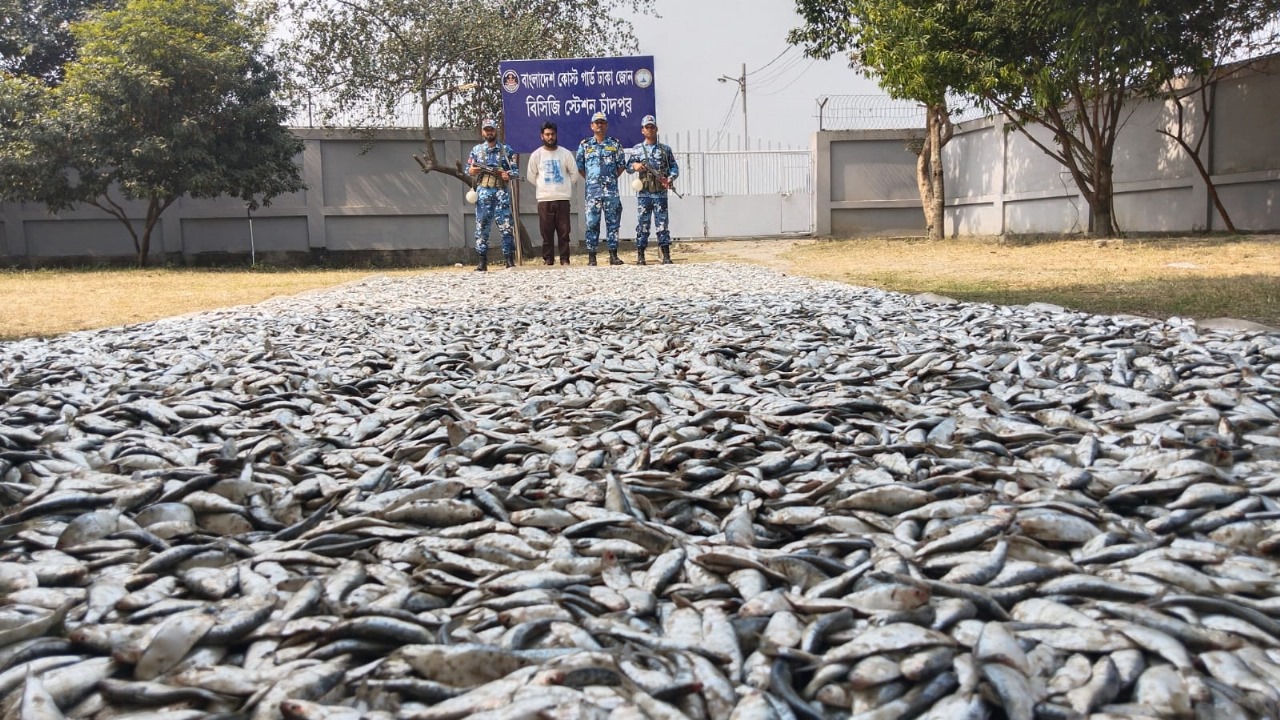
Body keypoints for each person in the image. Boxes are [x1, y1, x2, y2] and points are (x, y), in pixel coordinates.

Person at [575, 111, 627, 266]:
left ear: (606, 125)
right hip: (593, 192)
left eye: (602, 122)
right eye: (596, 122)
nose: (599, 125)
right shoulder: (585, 145)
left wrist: (609, 179)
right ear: (592, 126)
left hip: (611, 191)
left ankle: (613, 255)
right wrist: (593, 180)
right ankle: (592, 256)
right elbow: (580, 167)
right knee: (592, 223)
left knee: (613, 223)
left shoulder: (614, 144)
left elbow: (621, 166)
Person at [467, 118, 519, 272]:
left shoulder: (506, 150)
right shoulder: (476, 151)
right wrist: (472, 171)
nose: (489, 132)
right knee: (481, 228)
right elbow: (467, 169)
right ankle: (482, 262)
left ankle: (509, 260)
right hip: (483, 193)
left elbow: (515, 171)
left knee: (506, 228)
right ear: (483, 132)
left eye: (491, 129)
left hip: (501, 193)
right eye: (486, 130)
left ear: (496, 130)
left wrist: (507, 174)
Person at [627, 115, 680, 265]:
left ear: (656, 129)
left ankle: (666, 255)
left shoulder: (665, 150)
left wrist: (670, 178)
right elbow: (628, 167)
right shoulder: (637, 149)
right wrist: (635, 166)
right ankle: (641, 255)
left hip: (660, 194)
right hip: (644, 194)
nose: (649, 130)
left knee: (662, 224)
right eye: (647, 127)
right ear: (642, 130)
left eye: (652, 127)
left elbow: (674, 167)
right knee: (642, 224)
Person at [525, 121, 578, 265]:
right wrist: (544, 187)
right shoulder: (537, 155)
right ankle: (548, 259)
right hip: (544, 199)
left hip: (562, 199)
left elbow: (574, 174)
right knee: (546, 232)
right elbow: (531, 176)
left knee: (564, 232)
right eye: (547, 134)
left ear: (556, 135)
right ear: (542, 136)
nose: (550, 137)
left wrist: (563, 187)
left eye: (552, 134)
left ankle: (565, 259)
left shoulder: (565, 153)